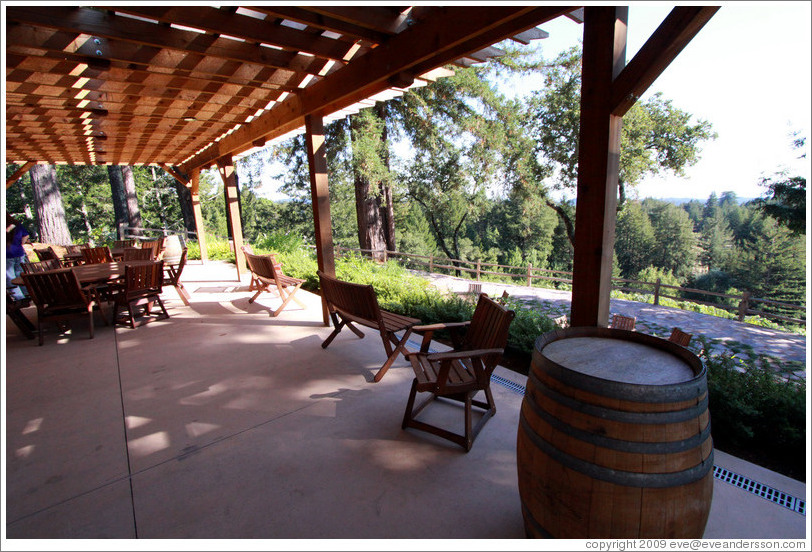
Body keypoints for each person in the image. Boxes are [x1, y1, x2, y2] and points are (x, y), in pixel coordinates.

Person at [6, 213, 31, 300]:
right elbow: (26, 235)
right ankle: (28, 294)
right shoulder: (15, 224)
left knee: (10, 278)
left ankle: (20, 298)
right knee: (21, 276)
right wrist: (20, 244)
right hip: (19, 253)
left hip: (7, 254)